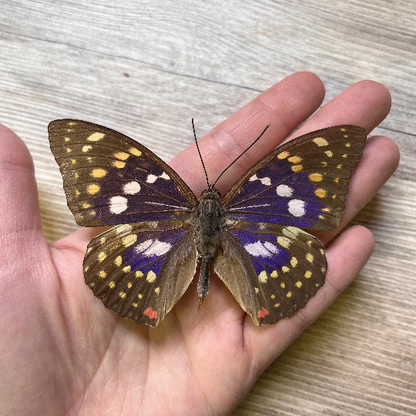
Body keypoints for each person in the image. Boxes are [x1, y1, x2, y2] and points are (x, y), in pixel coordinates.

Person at [0, 72, 399, 415]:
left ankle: (240, 298)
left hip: (182, 245)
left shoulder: (172, 197)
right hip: (227, 245)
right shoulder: (242, 199)